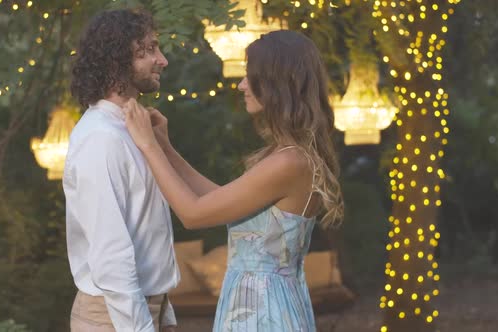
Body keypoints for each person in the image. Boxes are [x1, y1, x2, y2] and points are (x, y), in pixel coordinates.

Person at [124, 30, 344, 331]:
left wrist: (148, 145)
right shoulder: (288, 155)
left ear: (276, 83)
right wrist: (165, 147)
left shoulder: (289, 162)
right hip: (260, 302)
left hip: (263, 310)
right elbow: (218, 200)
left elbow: (194, 214)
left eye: (249, 75)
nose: (241, 85)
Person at [64, 9, 178, 332]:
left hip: (143, 309)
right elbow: (111, 256)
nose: (163, 59)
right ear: (118, 60)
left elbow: (148, 226)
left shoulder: (132, 129)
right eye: (150, 49)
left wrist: (165, 314)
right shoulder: (99, 138)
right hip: (114, 318)